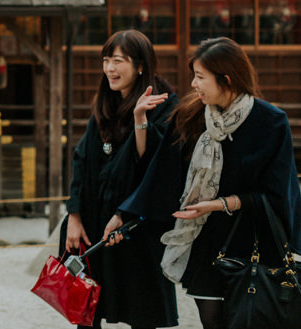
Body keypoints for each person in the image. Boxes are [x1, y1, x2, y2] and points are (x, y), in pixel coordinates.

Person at [116, 37, 301, 329]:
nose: (193, 84)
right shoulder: (190, 116)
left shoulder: (270, 122)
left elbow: (279, 194)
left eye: (200, 77)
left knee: (250, 318)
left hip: (251, 241)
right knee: (212, 322)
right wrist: (124, 215)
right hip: (205, 240)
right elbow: (160, 174)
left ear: (225, 79)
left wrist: (220, 204)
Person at [62, 30, 178, 329]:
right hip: (94, 219)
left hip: (136, 219)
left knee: (142, 310)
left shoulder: (163, 102)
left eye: (118, 61)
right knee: (87, 308)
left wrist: (141, 119)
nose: (110, 68)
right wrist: (74, 214)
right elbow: (82, 159)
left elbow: (152, 163)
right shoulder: (105, 102)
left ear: (140, 65)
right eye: (106, 60)